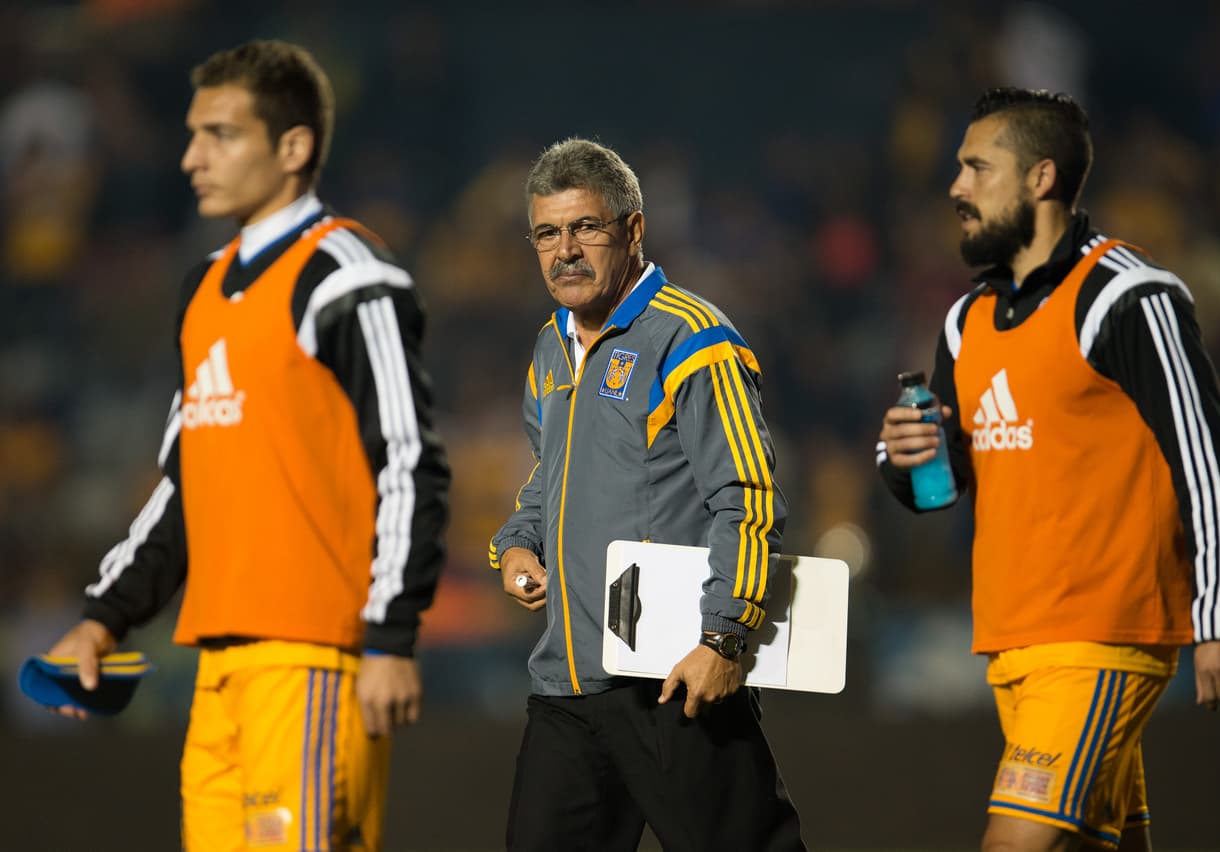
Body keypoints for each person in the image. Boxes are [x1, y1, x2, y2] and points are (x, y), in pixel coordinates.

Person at [45, 40, 450, 852]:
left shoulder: (346, 274)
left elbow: (410, 460)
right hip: (220, 670)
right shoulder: (202, 289)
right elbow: (184, 481)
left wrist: (391, 637)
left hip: (312, 663)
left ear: (294, 148)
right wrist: (103, 618)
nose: (192, 156)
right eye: (193, 134)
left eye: (221, 134)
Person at [877, 87, 1220, 852]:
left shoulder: (1128, 296)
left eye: (976, 168)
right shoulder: (965, 319)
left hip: (1102, 634)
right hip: (1013, 640)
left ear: (1040, 178)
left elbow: (1207, 458)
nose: (956, 188)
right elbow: (943, 480)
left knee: (1014, 844)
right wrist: (901, 457)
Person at [489, 138, 805, 852]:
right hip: (566, 690)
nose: (564, 250)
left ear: (632, 230)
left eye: (585, 228)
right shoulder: (551, 345)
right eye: (547, 233)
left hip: (672, 679)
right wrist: (516, 543)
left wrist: (724, 637)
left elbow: (747, 496)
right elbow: (550, 475)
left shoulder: (694, 341)